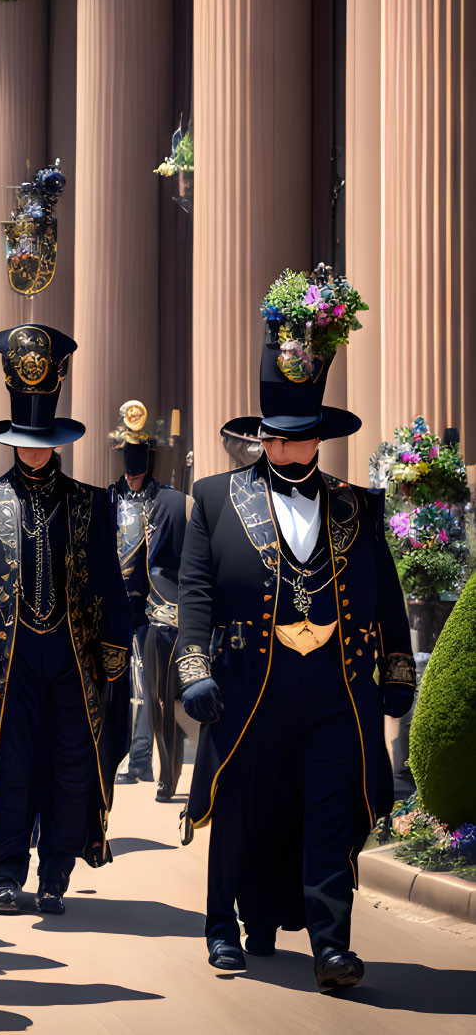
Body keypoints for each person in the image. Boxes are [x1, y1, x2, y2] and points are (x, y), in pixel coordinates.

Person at [177, 297, 413, 989]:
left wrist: (396, 670)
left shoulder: (357, 505)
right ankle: (222, 926)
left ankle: (330, 944)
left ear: (318, 436)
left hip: (336, 689)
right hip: (247, 687)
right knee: (243, 809)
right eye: (275, 437)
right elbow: (194, 593)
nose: (286, 448)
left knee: (329, 812)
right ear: (259, 436)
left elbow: (386, 596)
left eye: (299, 436)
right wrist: (192, 668)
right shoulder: (214, 498)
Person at [0, 325, 132, 917]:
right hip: (8, 658)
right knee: (10, 764)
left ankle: (55, 872)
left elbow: (109, 583)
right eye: (24, 438)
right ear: (10, 439)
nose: (33, 448)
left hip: (73, 659)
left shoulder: (89, 501)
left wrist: (113, 652)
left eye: (42, 438)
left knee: (71, 765)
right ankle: (5, 873)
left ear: (57, 439)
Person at [107, 401, 188, 801]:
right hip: (113, 605)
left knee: (148, 688)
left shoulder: (167, 500)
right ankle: (121, 755)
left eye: (139, 467)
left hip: (152, 609)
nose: (133, 476)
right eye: (128, 467)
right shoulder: (107, 499)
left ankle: (143, 760)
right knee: (114, 685)